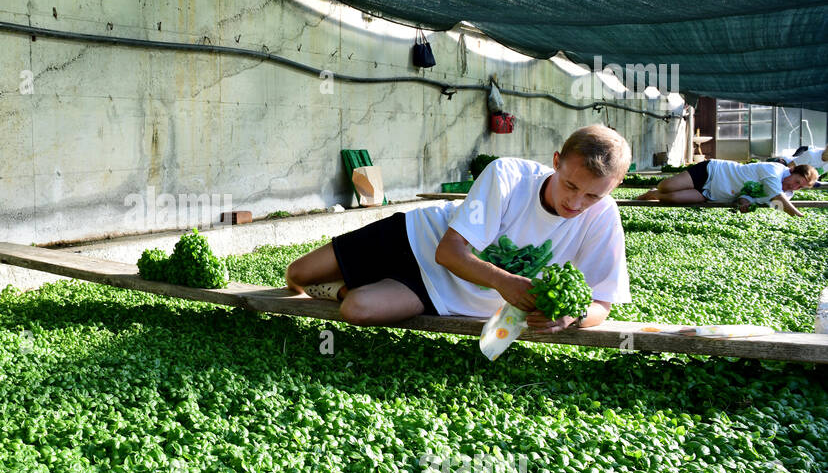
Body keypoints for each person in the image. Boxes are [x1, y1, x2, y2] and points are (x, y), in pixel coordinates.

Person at [285, 125, 632, 333]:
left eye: (592, 195)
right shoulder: (508, 175)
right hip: (414, 237)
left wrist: (573, 317)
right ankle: (350, 275)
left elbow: (601, 302)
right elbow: (448, 252)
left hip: (442, 290)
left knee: (357, 309)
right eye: (570, 186)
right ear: (556, 162)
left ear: (613, 188)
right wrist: (504, 281)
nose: (576, 203)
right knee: (298, 276)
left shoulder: (603, 216)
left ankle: (346, 288)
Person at [634, 159, 818, 216]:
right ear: (792, 170)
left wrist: (744, 202)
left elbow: (757, 199)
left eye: (799, 187)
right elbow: (774, 194)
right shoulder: (774, 170)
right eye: (796, 181)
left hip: (714, 193)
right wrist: (798, 215)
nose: (793, 186)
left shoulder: (787, 195)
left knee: (672, 199)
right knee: (666, 186)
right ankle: (657, 190)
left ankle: (653, 195)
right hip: (712, 172)